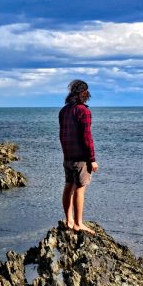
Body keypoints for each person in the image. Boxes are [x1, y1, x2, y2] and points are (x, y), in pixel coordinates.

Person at [59, 79, 98, 234]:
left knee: (68, 186)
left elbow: (62, 135)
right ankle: (78, 223)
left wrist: (65, 153)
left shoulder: (64, 111)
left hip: (67, 157)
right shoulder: (84, 111)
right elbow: (87, 137)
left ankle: (68, 220)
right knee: (80, 189)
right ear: (84, 93)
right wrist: (92, 160)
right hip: (81, 158)